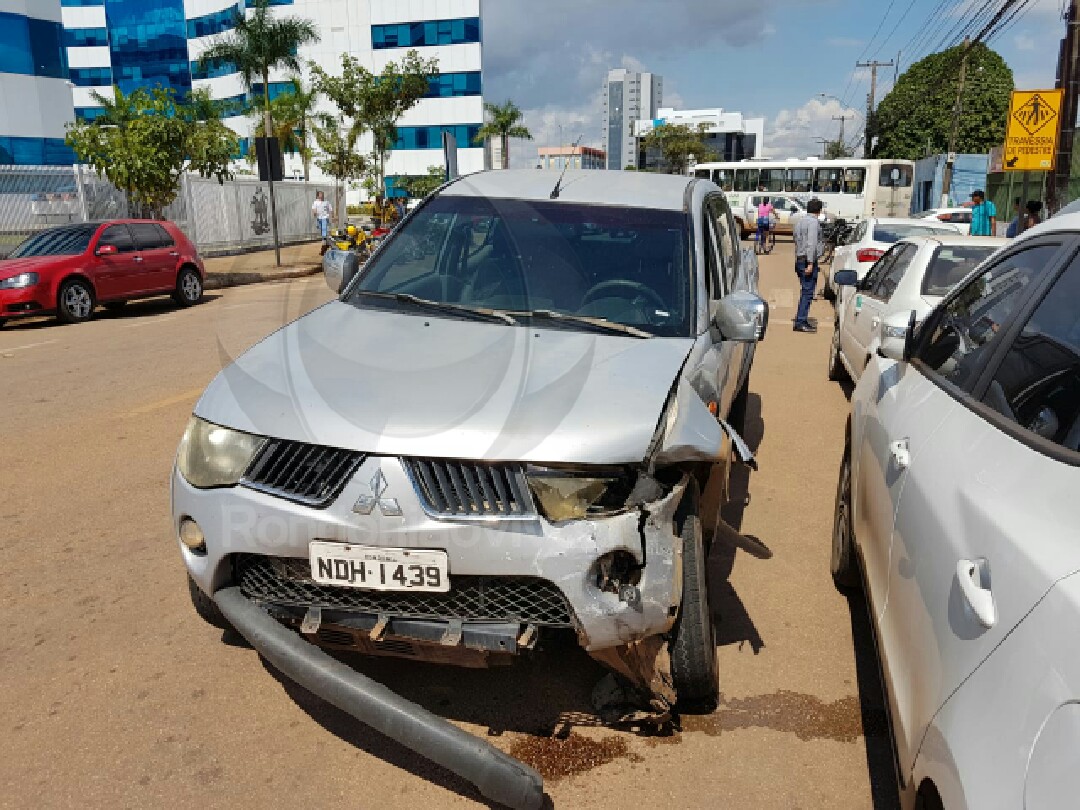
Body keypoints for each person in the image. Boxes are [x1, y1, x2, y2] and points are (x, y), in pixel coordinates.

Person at [793, 198, 825, 333]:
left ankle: (802, 319)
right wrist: (811, 263)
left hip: (800, 259)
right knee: (807, 292)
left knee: (805, 291)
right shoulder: (813, 223)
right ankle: (800, 321)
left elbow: (796, 239)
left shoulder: (800, 222)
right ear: (819, 210)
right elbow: (811, 243)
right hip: (807, 260)